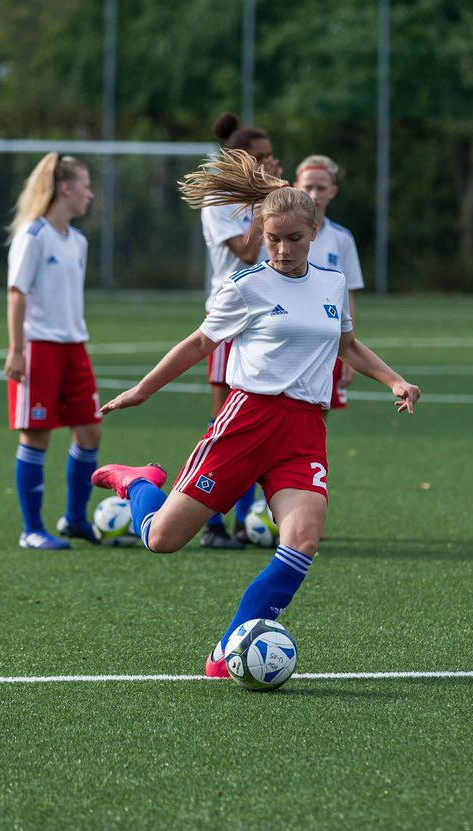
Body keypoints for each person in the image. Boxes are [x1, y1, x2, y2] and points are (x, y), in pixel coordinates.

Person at [90, 149, 422, 678]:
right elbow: (198, 343)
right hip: (246, 421)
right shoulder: (245, 287)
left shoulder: (331, 284)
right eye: (273, 239)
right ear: (261, 233)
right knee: (162, 539)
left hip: (304, 430)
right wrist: (142, 389)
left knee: (304, 541)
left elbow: (348, 345)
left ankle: (226, 651)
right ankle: (138, 483)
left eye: (294, 238)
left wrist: (395, 379)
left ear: (315, 232)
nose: (283, 249)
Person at [3, 153, 103, 550]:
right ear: (65, 189)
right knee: (37, 436)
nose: (90, 195)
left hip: (74, 347)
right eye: (85, 186)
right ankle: (32, 530)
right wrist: (16, 349)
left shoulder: (78, 242)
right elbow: (16, 293)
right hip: (38, 348)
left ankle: (75, 518)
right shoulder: (33, 235)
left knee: (91, 429)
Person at [196, 111, 281, 548]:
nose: (273, 164)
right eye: (262, 157)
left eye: (272, 156)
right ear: (243, 162)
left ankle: (247, 520)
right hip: (231, 318)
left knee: (258, 421)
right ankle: (211, 524)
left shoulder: (259, 198)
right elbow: (248, 253)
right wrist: (266, 206)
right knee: (226, 424)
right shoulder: (220, 201)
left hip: (268, 319)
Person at [294, 154, 365, 412]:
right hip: (288, 334)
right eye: (307, 187)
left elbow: (347, 296)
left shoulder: (342, 238)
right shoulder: (281, 235)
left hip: (326, 339)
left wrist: (348, 353)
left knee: (318, 413)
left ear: (332, 191)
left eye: (321, 187)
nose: (314, 194)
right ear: (295, 186)